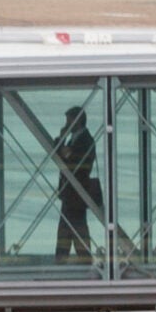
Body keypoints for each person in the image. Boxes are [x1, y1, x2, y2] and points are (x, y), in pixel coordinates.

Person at [53, 104, 99, 263]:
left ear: (77, 121)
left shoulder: (85, 140)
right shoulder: (75, 138)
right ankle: (73, 259)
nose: (66, 125)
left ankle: (67, 259)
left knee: (73, 228)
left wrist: (65, 148)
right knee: (73, 228)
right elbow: (60, 154)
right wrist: (61, 138)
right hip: (71, 192)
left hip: (76, 191)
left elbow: (74, 161)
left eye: (68, 121)